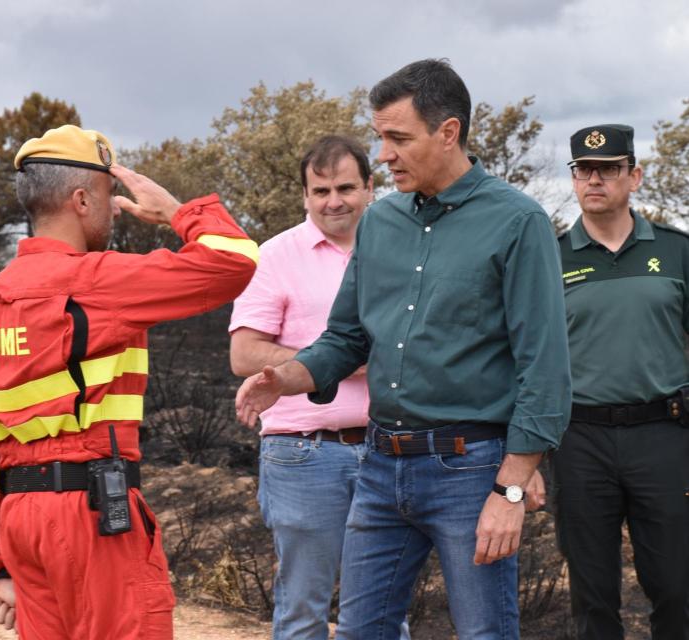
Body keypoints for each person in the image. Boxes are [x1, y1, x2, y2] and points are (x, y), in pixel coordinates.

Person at [236, 58, 572, 640]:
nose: (384, 154)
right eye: (381, 137)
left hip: (471, 470)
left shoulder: (518, 222)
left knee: (485, 633)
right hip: (380, 465)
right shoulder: (380, 221)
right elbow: (347, 338)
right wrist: (287, 377)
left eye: (398, 138)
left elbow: (544, 367)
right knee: (361, 631)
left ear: (448, 132)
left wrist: (512, 488)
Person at [0, 124, 258, 639]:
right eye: (107, 195)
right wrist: (176, 211)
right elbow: (235, 260)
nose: (116, 209)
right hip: (94, 515)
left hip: (21, 522)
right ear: (80, 200)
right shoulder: (99, 279)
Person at [229, 135, 376, 640]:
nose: (334, 201)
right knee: (303, 610)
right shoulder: (274, 256)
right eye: (321, 191)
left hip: (390, 449)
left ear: (370, 187)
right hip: (304, 454)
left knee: (382, 607)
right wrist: (335, 362)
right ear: (304, 196)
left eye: (345, 188)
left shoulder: (399, 249)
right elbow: (244, 353)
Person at [551, 124, 689, 639]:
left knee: (677, 587)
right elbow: (528, 355)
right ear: (573, 179)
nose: (595, 179)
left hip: (664, 434)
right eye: (584, 169)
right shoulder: (550, 257)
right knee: (593, 597)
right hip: (579, 440)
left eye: (609, 169)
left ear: (634, 176)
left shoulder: (676, 251)